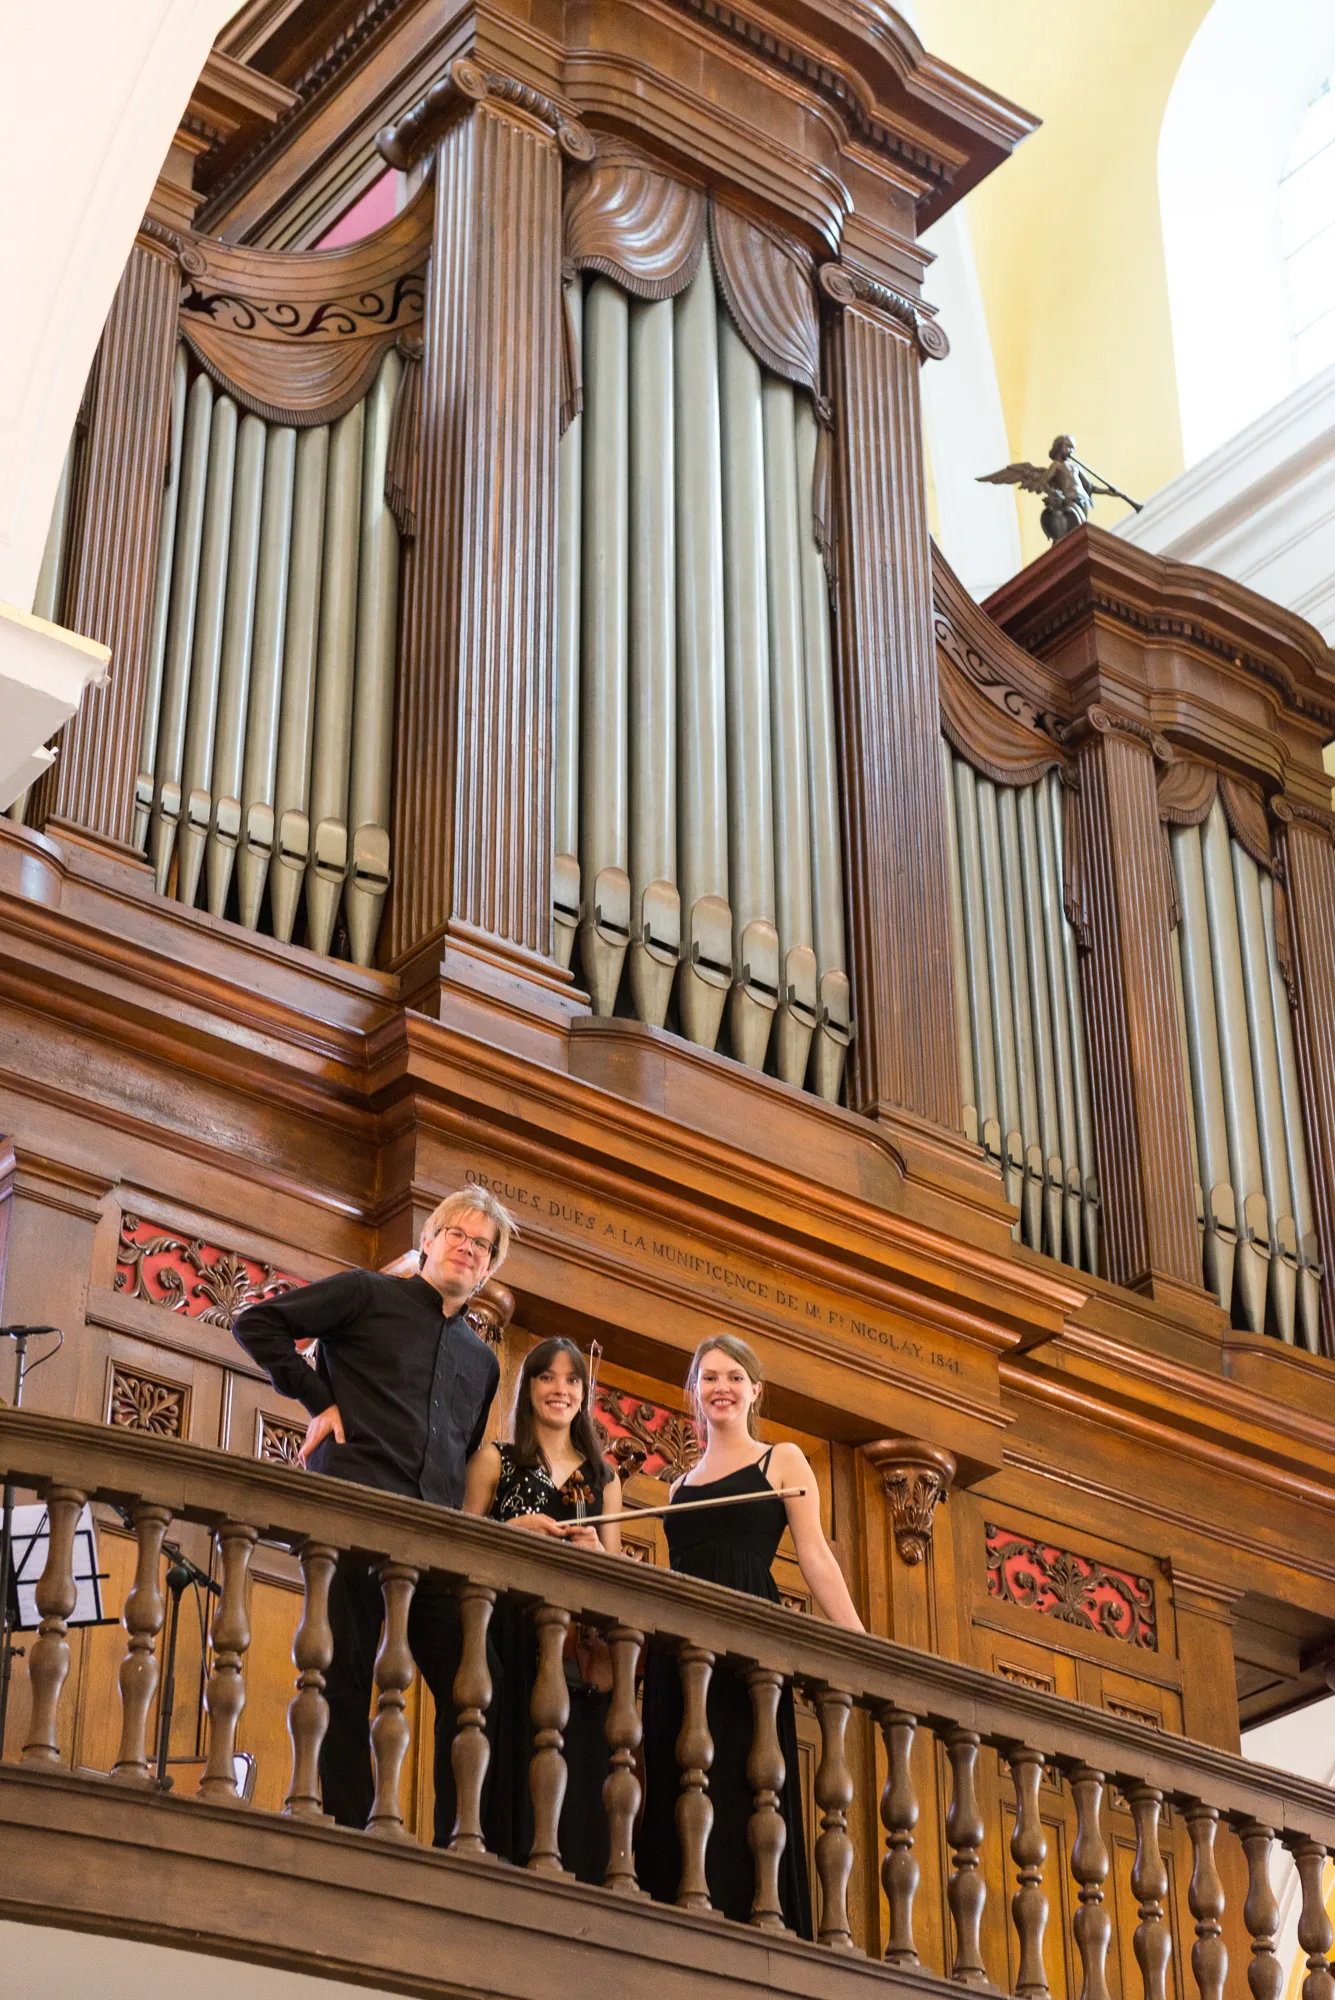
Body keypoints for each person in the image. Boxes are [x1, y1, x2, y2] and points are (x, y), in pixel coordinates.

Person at [233, 1186, 516, 1843]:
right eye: (457, 1234)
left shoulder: (481, 1360)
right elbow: (258, 1324)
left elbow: (463, 1448)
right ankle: (344, 1829)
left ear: (490, 1269)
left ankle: (463, 1840)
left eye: (481, 1245)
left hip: (430, 1535)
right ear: (429, 1237)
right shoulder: (367, 1292)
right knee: (344, 1672)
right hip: (353, 1511)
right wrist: (317, 1401)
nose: (466, 1249)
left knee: (480, 1685)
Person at [636, 1334, 863, 1934]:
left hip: (747, 1647)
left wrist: (860, 1641)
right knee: (679, 1775)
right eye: (709, 1377)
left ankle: (749, 1917)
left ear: (755, 1390)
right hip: (679, 1651)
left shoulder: (781, 1460)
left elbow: (815, 1557)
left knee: (744, 1777)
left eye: (735, 1377)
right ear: (694, 1393)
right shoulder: (676, 1487)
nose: (722, 1388)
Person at [463, 1337, 621, 1881]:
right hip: (508, 1634)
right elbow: (460, 1545)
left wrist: (597, 1553)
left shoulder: (603, 1479)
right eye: (547, 1378)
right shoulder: (497, 1459)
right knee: (509, 1763)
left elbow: (618, 1579)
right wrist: (513, 1529)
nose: (560, 1389)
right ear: (528, 1388)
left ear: (584, 1392)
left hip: (579, 1651)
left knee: (577, 1779)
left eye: (572, 1379)